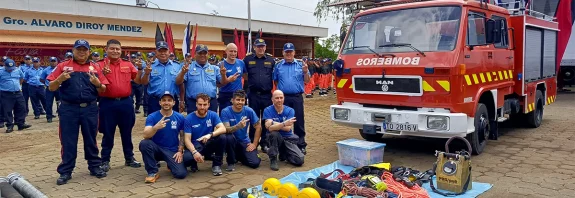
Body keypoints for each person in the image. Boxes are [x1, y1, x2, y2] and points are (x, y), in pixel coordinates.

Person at [47, 39, 109, 185]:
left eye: (84, 50)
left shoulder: (94, 67)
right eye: (78, 49)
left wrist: (97, 83)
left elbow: (103, 89)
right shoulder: (63, 66)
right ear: (73, 51)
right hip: (69, 109)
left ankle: (94, 166)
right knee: (68, 140)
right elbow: (51, 87)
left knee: (91, 139)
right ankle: (66, 171)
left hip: (90, 108)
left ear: (88, 52)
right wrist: (60, 79)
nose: (82, 52)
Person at [98, 39, 142, 172]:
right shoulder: (99, 65)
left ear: (121, 50)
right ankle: (105, 160)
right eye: (112, 48)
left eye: (117, 49)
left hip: (125, 102)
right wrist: (102, 74)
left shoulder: (128, 65)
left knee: (127, 132)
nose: (115, 51)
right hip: (107, 103)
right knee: (108, 133)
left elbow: (138, 80)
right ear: (106, 50)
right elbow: (96, 85)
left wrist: (140, 69)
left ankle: (129, 158)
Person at [139, 91, 188, 183]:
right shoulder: (152, 116)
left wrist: (180, 151)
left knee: (181, 174)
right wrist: (155, 128)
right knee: (144, 143)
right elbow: (145, 135)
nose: (166, 102)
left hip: (172, 151)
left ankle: (170, 164)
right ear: (160, 102)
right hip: (156, 149)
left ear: (173, 103)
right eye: (164, 100)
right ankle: (152, 172)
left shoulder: (180, 117)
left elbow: (182, 136)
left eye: (169, 100)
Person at [273, 43, 310, 154]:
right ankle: (283, 145)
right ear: (283, 53)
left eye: (291, 52)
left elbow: (307, 81)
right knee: (282, 120)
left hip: (296, 97)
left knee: (298, 121)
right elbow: (275, 81)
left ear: (294, 52)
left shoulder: (301, 65)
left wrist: (305, 71)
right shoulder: (278, 65)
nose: (288, 54)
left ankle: (301, 144)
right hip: (282, 98)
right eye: (286, 52)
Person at [176, 44, 235, 113]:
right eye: (200, 53)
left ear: (208, 54)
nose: (202, 55)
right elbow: (178, 82)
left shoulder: (214, 68)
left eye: (204, 53)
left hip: (211, 103)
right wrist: (183, 73)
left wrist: (223, 75)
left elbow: (223, 82)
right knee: (194, 123)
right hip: (194, 103)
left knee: (212, 123)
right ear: (195, 54)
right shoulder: (188, 67)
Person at [243, 38, 275, 153]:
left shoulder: (271, 60)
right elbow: (245, 75)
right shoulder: (248, 59)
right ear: (254, 47)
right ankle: (252, 142)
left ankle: (265, 143)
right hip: (253, 95)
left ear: (265, 47)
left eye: (263, 46)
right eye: (258, 46)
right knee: (253, 120)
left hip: (267, 95)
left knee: (266, 120)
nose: (261, 48)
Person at [183, 93, 227, 176]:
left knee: (222, 137)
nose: (202, 107)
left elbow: (223, 128)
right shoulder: (189, 118)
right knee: (186, 160)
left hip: (208, 143)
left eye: (205, 104)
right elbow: (187, 140)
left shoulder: (213, 115)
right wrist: (194, 152)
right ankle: (195, 161)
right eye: (200, 104)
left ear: (209, 105)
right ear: (196, 104)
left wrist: (210, 135)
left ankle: (216, 165)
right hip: (195, 145)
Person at [137, 41, 184, 114]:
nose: (163, 53)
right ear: (156, 52)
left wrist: (181, 100)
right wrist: (146, 73)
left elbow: (181, 84)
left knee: (173, 124)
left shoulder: (177, 66)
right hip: (155, 101)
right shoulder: (150, 66)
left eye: (165, 51)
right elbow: (144, 82)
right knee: (155, 124)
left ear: (169, 52)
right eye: (160, 51)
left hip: (172, 101)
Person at [263, 90, 304, 170]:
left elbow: (288, 128)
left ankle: (284, 153)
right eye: (277, 98)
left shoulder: (290, 110)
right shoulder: (267, 110)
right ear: (272, 99)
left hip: (288, 138)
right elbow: (269, 127)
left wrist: (273, 122)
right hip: (275, 138)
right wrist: (284, 123)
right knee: (274, 134)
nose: (279, 100)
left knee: (299, 161)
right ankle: (273, 158)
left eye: (281, 98)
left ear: (284, 98)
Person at [221, 90, 261, 170]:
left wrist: (254, 144)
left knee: (255, 163)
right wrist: (238, 126)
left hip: (244, 141)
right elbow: (225, 129)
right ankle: (231, 160)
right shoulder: (225, 111)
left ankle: (239, 155)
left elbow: (258, 127)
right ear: (232, 100)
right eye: (238, 100)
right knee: (228, 137)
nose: (240, 102)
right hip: (231, 142)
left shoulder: (249, 111)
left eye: (242, 100)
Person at [0, 59, 31, 133]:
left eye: (12, 68)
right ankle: (10, 125)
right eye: (8, 68)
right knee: (7, 110)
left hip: (18, 92)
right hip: (6, 93)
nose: (10, 70)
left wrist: (16, 86)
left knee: (22, 108)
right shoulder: (0, 71)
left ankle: (20, 124)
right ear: (5, 66)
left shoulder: (18, 70)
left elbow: (21, 78)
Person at [218, 43, 246, 113]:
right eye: (231, 51)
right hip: (225, 95)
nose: (233, 53)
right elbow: (218, 84)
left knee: (239, 116)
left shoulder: (241, 63)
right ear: (226, 51)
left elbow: (245, 76)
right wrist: (228, 79)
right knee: (224, 116)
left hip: (238, 94)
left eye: (235, 51)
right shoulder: (221, 65)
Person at [40, 57, 61, 123]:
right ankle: (49, 117)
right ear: (49, 62)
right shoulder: (46, 70)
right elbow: (41, 79)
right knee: (49, 103)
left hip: (58, 88)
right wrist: (47, 84)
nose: (53, 62)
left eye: (54, 61)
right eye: (52, 61)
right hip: (49, 88)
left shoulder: (60, 69)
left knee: (60, 103)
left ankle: (61, 115)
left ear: (57, 62)